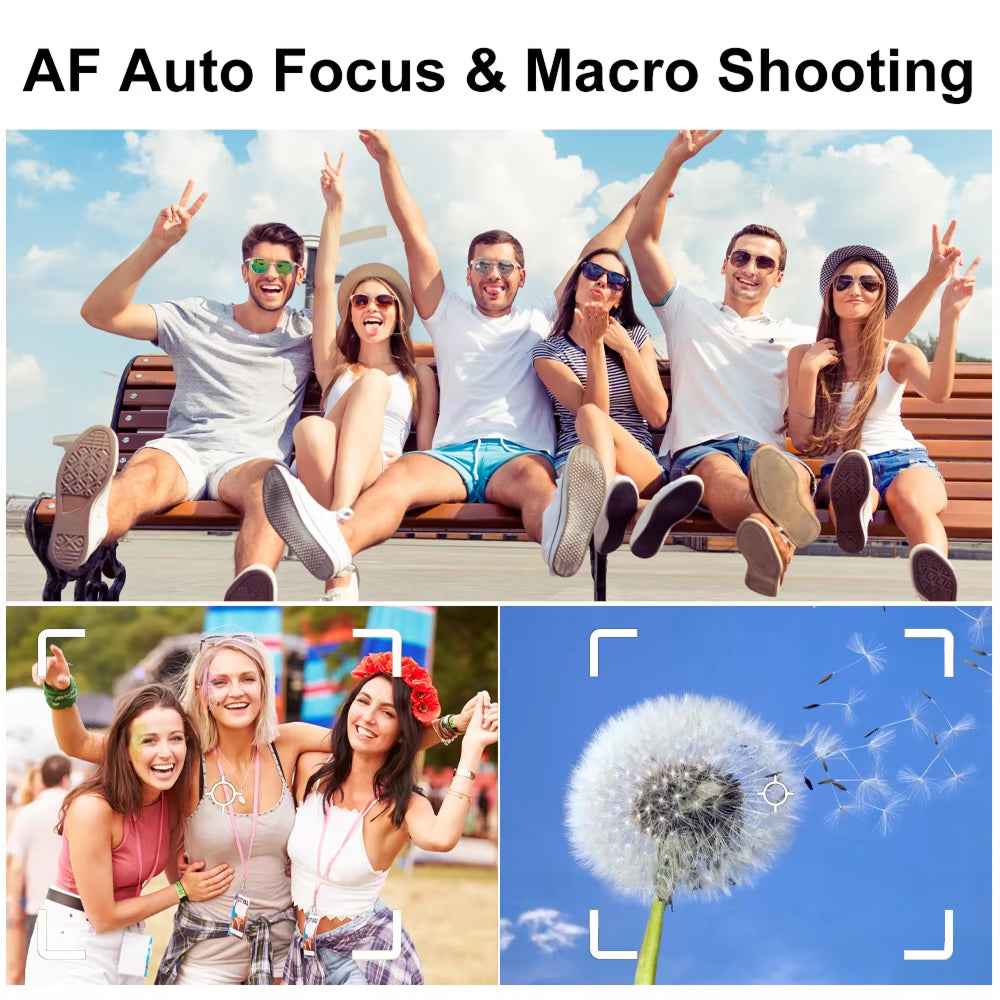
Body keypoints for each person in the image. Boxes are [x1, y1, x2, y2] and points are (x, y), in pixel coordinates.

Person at [263, 129, 645, 596]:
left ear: (522, 277)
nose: (493, 276)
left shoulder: (540, 316)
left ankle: (559, 541)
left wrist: (642, 197)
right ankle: (338, 544)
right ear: (468, 273)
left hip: (519, 453)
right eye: (482, 266)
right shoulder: (446, 314)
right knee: (398, 482)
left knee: (537, 488)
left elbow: (594, 253)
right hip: (451, 456)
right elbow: (413, 232)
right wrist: (386, 159)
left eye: (505, 267)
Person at [626, 129, 964, 597]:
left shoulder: (801, 340)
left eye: (764, 263)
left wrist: (933, 281)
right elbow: (641, 239)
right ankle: (775, 542)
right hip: (708, 449)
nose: (751, 268)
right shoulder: (686, 311)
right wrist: (673, 161)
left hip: (773, 458)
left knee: (796, 480)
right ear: (724, 264)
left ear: (779, 277)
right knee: (731, 481)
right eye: (741, 257)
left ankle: (773, 543)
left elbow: (881, 335)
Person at [39, 633, 484, 984]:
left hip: (283, 950)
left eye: (248, 679)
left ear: (264, 687)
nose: (236, 692)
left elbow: (373, 740)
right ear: (202, 690)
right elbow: (81, 744)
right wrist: (62, 692)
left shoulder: (286, 744)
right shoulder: (182, 752)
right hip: (207, 951)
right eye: (221, 681)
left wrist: (453, 726)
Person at [49, 178, 337, 602]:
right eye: (259, 266)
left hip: (251, 461)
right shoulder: (194, 316)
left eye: (282, 267)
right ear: (244, 272)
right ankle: (85, 530)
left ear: (298, 275)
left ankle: (253, 586)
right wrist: (157, 244)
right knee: (143, 477)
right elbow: (98, 313)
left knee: (273, 486)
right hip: (185, 450)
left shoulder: (307, 335)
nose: (270, 275)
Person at [266, 153, 437, 603]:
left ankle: (333, 524)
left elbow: (431, 451)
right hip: (322, 465)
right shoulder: (334, 364)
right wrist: (334, 208)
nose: (371, 308)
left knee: (375, 385)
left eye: (383, 301)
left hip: (377, 472)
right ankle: (338, 552)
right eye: (360, 301)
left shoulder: (418, 375)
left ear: (398, 313)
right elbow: (323, 285)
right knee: (311, 427)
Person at [282, 652, 499, 984]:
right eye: (363, 701)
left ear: (401, 732)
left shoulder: (402, 804)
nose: (368, 717)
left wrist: (471, 747)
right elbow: (359, 738)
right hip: (302, 952)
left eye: (386, 712)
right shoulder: (310, 766)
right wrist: (452, 723)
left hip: (365, 957)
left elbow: (441, 838)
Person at [786, 244, 979, 601]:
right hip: (845, 468)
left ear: (881, 297)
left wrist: (949, 316)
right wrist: (811, 370)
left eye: (868, 284)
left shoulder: (897, 354)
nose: (854, 289)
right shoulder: (803, 356)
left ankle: (933, 573)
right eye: (842, 282)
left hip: (904, 460)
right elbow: (800, 440)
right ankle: (857, 508)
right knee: (853, 484)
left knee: (911, 501)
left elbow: (938, 393)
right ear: (829, 294)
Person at [24, 684, 235, 985]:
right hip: (72, 939)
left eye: (176, 738)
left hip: (131, 939)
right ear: (125, 749)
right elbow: (104, 916)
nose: (165, 752)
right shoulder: (92, 809)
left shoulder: (169, 797)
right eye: (149, 741)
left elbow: (177, 871)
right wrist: (181, 890)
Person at [532, 247, 704, 558]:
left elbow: (656, 415)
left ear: (620, 297)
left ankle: (612, 504)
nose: (602, 284)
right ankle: (638, 512)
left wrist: (625, 350)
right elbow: (595, 413)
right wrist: (595, 345)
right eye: (594, 272)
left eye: (616, 281)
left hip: (640, 465)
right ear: (577, 281)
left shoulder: (635, 337)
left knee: (593, 418)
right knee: (589, 414)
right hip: (580, 464)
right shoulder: (549, 353)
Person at [7, 754, 73, 977]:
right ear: (65, 778)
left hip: (37, 907)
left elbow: (17, 866)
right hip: (75, 909)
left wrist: (16, 903)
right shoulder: (76, 809)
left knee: (38, 978)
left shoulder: (26, 813)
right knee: (68, 976)